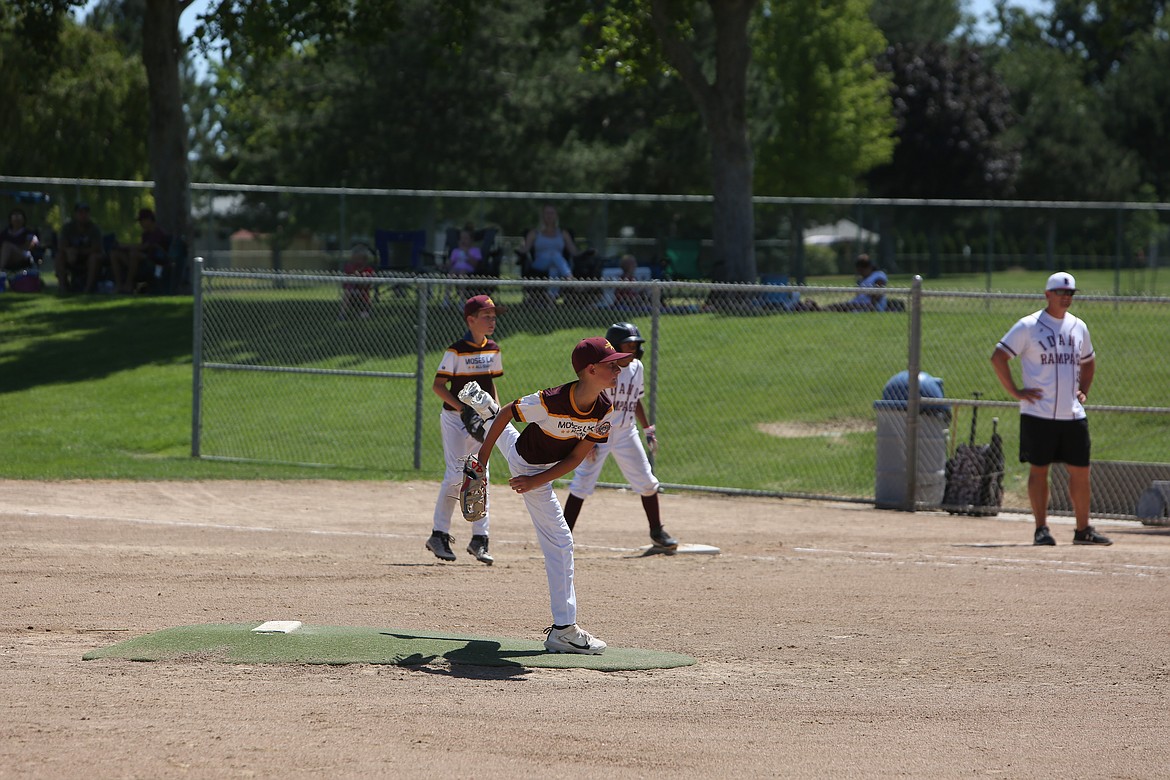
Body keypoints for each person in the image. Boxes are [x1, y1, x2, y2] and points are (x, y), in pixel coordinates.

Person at [465, 336, 632, 654]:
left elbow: (574, 458)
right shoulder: (550, 400)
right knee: (561, 542)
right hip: (529, 467)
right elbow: (509, 413)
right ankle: (564, 630)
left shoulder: (604, 411)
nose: (619, 370)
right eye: (612, 365)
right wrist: (480, 465)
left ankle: (484, 406)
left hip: (536, 467)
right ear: (591, 369)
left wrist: (538, 478)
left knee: (511, 440)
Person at [991, 272, 1111, 546]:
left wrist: (1084, 389)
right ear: (1047, 295)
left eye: (1070, 293)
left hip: (1072, 413)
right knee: (1039, 470)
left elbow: (1089, 361)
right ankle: (1041, 529)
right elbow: (999, 356)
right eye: (1060, 292)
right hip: (1038, 412)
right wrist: (1015, 392)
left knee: (1081, 471)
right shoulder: (1029, 325)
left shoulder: (1078, 326)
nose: (1066, 297)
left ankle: (1083, 530)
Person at [563, 323, 678, 550]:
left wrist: (648, 429)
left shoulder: (637, 368)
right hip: (597, 433)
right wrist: (586, 437)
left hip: (626, 432)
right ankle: (561, 537)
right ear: (615, 347)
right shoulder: (603, 369)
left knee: (647, 481)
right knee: (582, 483)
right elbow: (587, 402)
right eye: (628, 344)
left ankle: (657, 532)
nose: (633, 349)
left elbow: (635, 400)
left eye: (636, 344)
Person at [426, 295, 504, 565]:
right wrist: (463, 409)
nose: (492, 320)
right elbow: (438, 386)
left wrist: (497, 411)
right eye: (486, 316)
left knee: (480, 475)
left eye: (494, 316)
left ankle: (479, 540)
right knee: (455, 475)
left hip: (482, 419)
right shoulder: (456, 351)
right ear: (470, 320)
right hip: (454, 420)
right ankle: (439, 534)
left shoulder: (493, 348)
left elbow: (491, 385)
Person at [518, 204, 581, 301]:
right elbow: (524, 250)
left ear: (556, 215)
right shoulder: (535, 233)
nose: (549, 216)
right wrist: (521, 245)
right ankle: (569, 277)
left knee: (554, 268)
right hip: (539, 263)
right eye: (547, 213)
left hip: (558, 264)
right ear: (542, 215)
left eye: (552, 213)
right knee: (554, 253)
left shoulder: (562, 233)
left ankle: (551, 299)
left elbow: (574, 251)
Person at [110, 208, 172, 294]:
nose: (141, 224)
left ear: (149, 220)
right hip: (142, 260)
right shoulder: (145, 234)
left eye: (142, 221)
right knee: (115, 254)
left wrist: (125, 246)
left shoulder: (159, 233)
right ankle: (119, 285)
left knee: (134, 254)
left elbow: (145, 247)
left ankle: (129, 284)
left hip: (156, 261)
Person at [55, 202, 105, 294]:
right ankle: (63, 287)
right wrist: (69, 251)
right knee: (59, 256)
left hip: (88, 257)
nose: (83, 215)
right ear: (76, 214)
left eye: (86, 212)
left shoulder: (94, 229)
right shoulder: (68, 228)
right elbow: (61, 245)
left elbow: (96, 248)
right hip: (71, 257)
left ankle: (88, 288)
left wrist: (78, 252)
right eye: (80, 212)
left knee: (94, 258)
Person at [340, 242, 376, 319]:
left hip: (362, 297)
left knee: (363, 316)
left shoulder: (368, 270)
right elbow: (345, 285)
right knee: (347, 292)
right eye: (356, 258)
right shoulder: (349, 267)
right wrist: (353, 276)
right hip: (351, 296)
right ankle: (342, 314)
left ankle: (365, 311)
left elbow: (368, 286)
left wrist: (362, 278)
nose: (358, 262)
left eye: (360, 259)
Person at [1, 208, 40, 273]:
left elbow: (30, 245)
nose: (16, 220)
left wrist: (13, 248)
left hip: (24, 256)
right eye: (14, 217)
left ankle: (1, 270)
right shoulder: (4, 233)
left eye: (18, 217)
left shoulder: (28, 233)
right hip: (7, 256)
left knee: (7, 246)